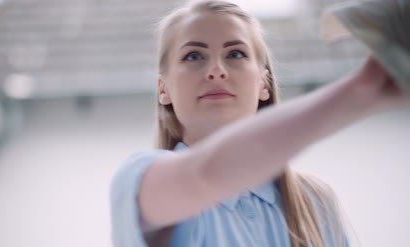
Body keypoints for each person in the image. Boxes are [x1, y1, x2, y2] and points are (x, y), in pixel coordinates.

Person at [110, 1, 410, 247]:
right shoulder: (139, 178)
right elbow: (205, 174)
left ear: (263, 83)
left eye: (236, 53)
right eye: (193, 56)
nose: (216, 70)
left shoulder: (316, 202)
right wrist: (360, 91)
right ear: (164, 89)